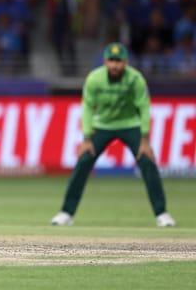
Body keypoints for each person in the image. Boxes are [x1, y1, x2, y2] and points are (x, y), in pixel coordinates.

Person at [50, 42, 176, 227]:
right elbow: (87, 107)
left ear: (126, 62)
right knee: (84, 161)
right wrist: (86, 138)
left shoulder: (135, 79)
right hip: (102, 125)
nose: (115, 65)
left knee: (147, 161)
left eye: (118, 61)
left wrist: (144, 139)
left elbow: (144, 107)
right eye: (111, 60)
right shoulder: (95, 79)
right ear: (105, 61)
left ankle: (162, 213)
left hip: (130, 124)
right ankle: (66, 213)